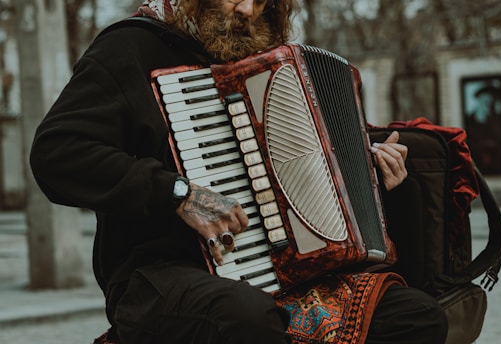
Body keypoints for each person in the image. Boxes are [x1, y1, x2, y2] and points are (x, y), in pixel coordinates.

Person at [29, 0, 448, 343]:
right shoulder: (131, 49)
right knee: (246, 321)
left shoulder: (267, 63)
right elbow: (58, 153)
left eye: (262, 1)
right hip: (159, 272)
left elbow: (306, 172)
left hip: (285, 275)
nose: (248, 10)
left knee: (414, 318)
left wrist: (378, 178)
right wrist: (178, 193)